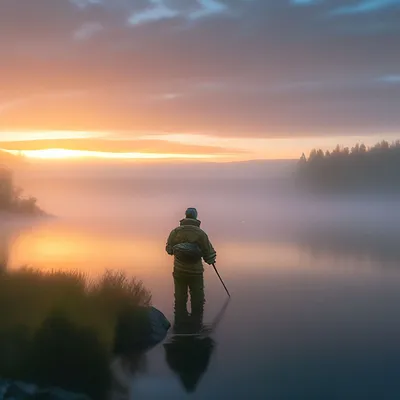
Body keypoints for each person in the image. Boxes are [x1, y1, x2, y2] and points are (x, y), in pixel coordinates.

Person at [165, 208, 217, 317]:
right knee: (197, 299)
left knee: (180, 298)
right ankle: (196, 324)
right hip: (196, 272)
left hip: (179, 270)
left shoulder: (175, 232)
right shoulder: (200, 233)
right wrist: (211, 260)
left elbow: (169, 250)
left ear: (186, 216)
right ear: (195, 217)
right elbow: (209, 253)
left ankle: (180, 322)